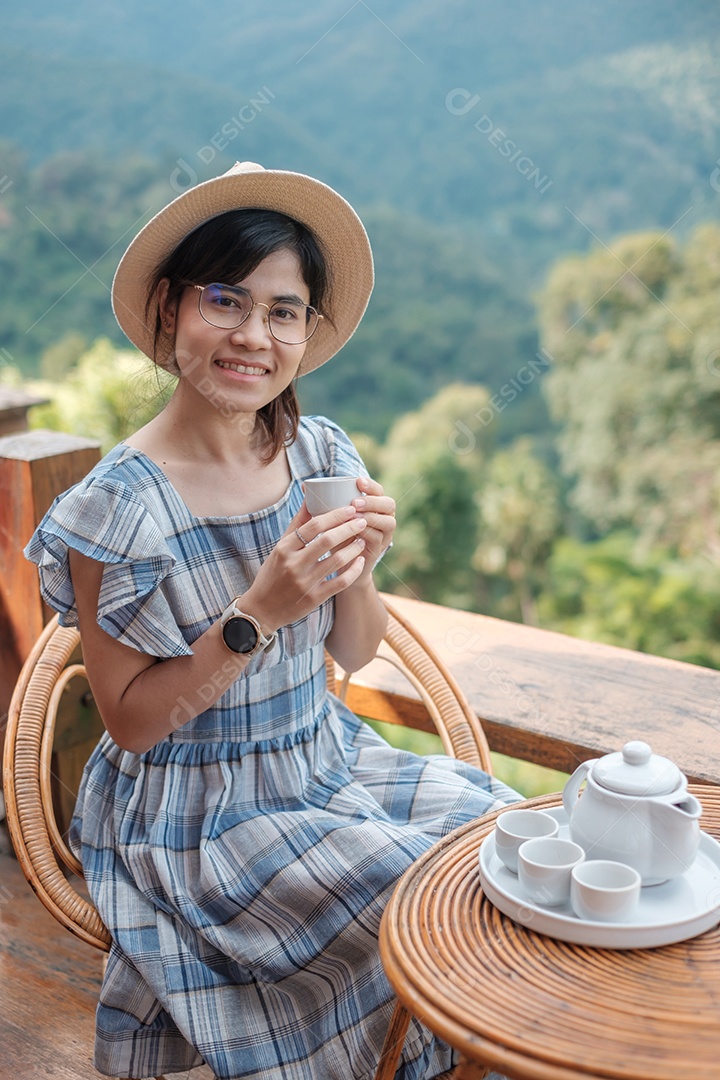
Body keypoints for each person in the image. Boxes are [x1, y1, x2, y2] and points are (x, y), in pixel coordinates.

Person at [26, 161, 521, 1080]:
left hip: (325, 757)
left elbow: (356, 648)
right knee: (416, 908)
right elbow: (132, 726)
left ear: (305, 330)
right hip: (197, 813)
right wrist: (257, 612)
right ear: (172, 309)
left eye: (283, 311)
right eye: (227, 300)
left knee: (513, 843)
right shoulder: (117, 512)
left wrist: (356, 571)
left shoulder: (318, 450)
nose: (254, 335)